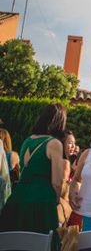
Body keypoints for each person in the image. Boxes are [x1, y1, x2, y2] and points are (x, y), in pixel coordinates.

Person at [0, 103, 67, 246]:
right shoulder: (54, 143)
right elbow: (57, 181)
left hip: (18, 198)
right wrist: (55, 200)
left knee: (15, 243)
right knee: (42, 244)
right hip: (42, 201)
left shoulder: (27, 140)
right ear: (60, 121)